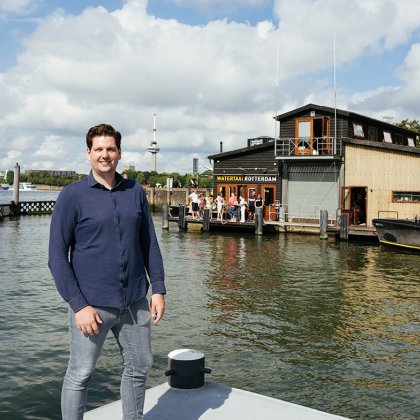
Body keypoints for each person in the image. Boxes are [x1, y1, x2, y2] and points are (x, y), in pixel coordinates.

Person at [48, 124, 166, 420]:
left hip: (135, 302)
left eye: (110, 149)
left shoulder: (135, 192)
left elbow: (148, 243)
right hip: (92, 305)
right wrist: (79, 306)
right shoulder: (71, 196)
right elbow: (57, 257)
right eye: (98, 149)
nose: (105, 155)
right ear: (88, 153)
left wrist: (159, 289)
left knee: (139, 367)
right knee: (80, 373)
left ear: (119, 153)